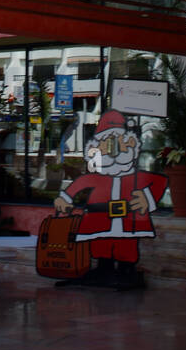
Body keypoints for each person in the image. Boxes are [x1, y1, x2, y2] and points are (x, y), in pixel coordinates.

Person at [53, 109, 167, 290]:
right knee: (100, 243)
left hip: (128, 220)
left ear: (132, 146)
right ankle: (103, 270)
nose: (114, 152)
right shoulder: (96, 177)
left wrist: (147, 199)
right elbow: (79, 184)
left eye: (120, 146)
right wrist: (65, 199)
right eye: (107, 146)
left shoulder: (136, 177)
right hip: (99, 219)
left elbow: (159, 182)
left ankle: (127, 271)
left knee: (126, 246)